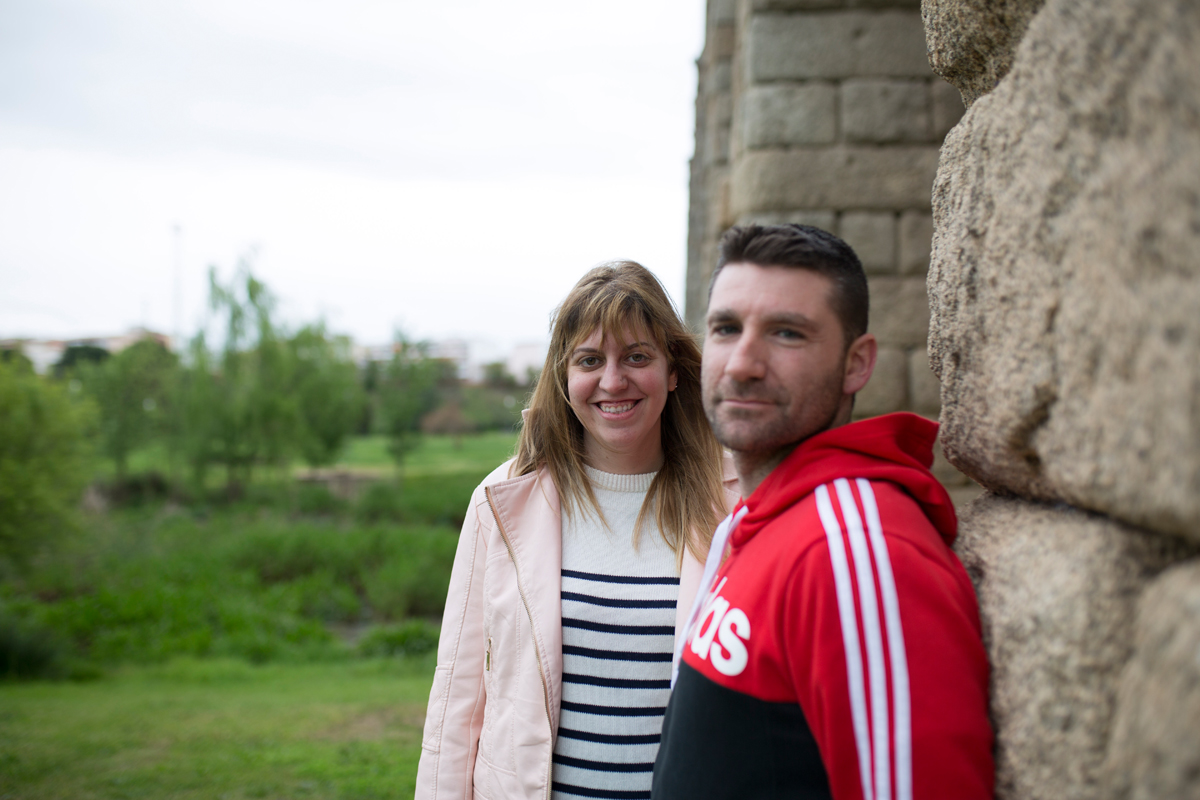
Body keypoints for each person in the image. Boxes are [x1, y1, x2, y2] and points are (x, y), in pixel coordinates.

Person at [652, 225, 994, 799]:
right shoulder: (757, 520)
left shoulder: (856, 548)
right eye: (726, 328)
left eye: (787, 333)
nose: (742, 364)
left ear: (857, 364)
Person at [416, 261, 738, 800]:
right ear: (565, 379)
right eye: (590, 360)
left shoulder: (734, 504)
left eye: (637, 356)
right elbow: (457, 696)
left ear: (674, 370)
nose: (613, 381)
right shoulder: (502, 504)